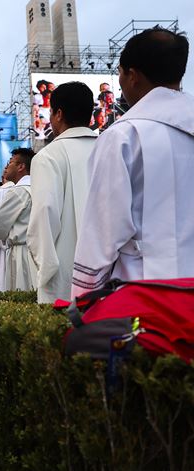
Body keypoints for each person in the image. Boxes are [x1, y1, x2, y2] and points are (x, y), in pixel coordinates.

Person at [73, 28, 194, 296]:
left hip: (147, 294)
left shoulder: (124, 136)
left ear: (133, 76)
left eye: (119, 74)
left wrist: (81, 303)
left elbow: (102, 235)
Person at [27, 81, 97, 303]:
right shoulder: (113, 147)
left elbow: (44, 215)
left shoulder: (48, 156)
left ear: (58, 113)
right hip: (116, 272)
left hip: (67, 273)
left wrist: (47, 270)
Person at [0, 149, 37, 291]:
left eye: (10, 162)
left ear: (21, 166)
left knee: (22, 293)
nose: (6, 167)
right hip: (38, 249)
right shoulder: (39, 187)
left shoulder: (18, 191)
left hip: (21, 253)